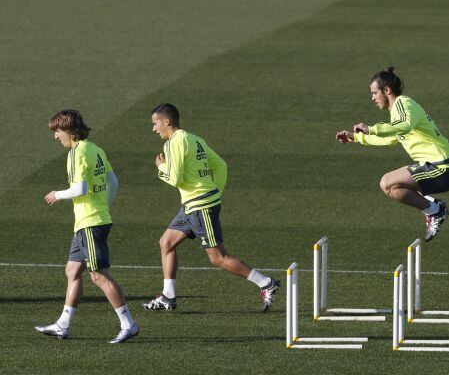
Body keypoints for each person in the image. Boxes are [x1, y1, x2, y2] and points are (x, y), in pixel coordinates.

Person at [142, 103, 279, 312]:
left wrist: (161, 168)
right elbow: (221, 166)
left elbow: (175, 178)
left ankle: (266, 283)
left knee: (218, 258)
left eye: (155, 123)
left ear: (167, 121)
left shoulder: (173, 143)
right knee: (166, 243)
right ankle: (168, 296)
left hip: (200, 205)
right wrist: (216, 192)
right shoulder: (194, 139)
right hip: (193, 204)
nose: (153, 129)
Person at [35, 110, 139, 343]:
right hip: (92, 220)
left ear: (70, 131)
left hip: (91, 222)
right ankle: (62, 325)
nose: (56, 137)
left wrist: (56, 194)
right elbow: (113, 181)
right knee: (72, 270)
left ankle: (128, 324)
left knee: (98, 276)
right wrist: (104, 206)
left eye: (57, 131)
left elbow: (80, 189)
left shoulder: (77, 152)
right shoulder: (95, 149)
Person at [335, 67, 449, 241]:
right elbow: (390, 138)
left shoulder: (403, 103)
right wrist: (356, 138)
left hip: (442, 167)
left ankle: (436, 210)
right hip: (437, 167)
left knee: (387, 181)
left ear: (387, 90)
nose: (372, 98)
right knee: (391, 187)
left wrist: (370, 128)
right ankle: (434, 209)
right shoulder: (397, 113)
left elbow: (405, 125)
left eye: (374, 93)